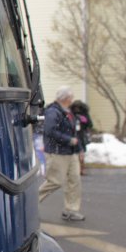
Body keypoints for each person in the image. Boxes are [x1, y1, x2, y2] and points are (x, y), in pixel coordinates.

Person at [39, 86, 85, 221]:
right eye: (70, 97)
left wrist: (79, 148)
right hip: (57, 152)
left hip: (71, 153)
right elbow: (50, 131)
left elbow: (75, 132)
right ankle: (30, 203)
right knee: (55, 181)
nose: (72, 100)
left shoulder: (68, 112)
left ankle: (71, 209)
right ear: (66, 98)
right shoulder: (53, 112)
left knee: (74, 181)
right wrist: (68, 140)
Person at [69, 99, 94, 175]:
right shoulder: (71, 113)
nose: (77, 109)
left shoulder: (84, 114)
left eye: (78, 107)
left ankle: (81, 169)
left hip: (81, 135)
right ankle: (74, 169)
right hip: (72, 135)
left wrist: (84, 121)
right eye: (75, 107)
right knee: (73, 153)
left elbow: (90, 124)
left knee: (81, 153)